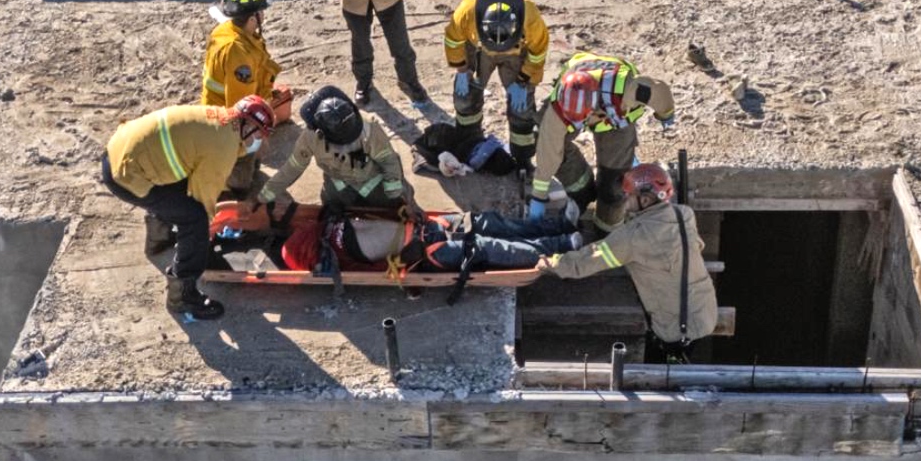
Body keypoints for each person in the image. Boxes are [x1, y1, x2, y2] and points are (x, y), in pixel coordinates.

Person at [101, 96, 275, 320]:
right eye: (259, 134)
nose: (259, 140)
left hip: (118, 151)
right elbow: (203, 198)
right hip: (125, 175)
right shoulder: (223, 147)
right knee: (194, 219)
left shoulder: (219, 119)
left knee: (179, 194)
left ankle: (158, 239)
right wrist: (204, 238)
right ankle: (182, 297)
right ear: (248, 126)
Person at [538, 164, 717, 364]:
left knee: (662, 377)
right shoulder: (684, 215)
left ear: (646, 199)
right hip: (705, 311)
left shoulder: (634, 235)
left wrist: (553, 263)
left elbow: (587, 261)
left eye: (629, 195)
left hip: (676, 329)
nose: (625, 199)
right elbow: (696, 247)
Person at [530, 51, 675, 234]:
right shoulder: (561, 105)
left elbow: (659, 92)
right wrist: (538, 196)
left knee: (614, 188)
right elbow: (548, 148)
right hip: (580, 94)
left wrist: (666, 113)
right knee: (547, 139)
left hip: (615, 115)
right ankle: (582, 191)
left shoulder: (631, 91)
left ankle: (606, 232)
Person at [281, 207, 580, 273]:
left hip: (430, 230)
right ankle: (561, 244)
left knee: (491, 225)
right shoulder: (335, 251)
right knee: (494, 244)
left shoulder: (334, 234)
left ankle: (560, 231)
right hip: (430, 247)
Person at [443, 0, 550, 170]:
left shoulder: (530, 17)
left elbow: (538, 53)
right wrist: (462, 69)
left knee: (522, 107)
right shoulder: (467, 11)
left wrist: (523, 80)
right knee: (466, 96)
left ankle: (522, 156)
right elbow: (453, 40)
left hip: (517, 52)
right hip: (478, 49)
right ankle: (469, 143)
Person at [201, 0, 289, 195]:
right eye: (260, 12)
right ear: (252, 19)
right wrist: (259, 133)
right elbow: (242, 110)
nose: (263, 15)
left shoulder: (227, 31)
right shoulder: (237, 52)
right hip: (228, 120)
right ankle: (230, 189)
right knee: (242, 175)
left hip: (219, 109)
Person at [257, 85, 405, 213]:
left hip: (371, 182)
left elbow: (388, 160)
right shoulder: (310, 137)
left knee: (395, 202)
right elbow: (293, 167)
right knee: (331, 214)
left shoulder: (370, 129)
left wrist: (394, 195)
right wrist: (264, 196)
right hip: (338, 186)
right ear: (321, 132)